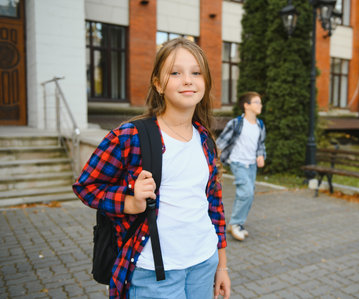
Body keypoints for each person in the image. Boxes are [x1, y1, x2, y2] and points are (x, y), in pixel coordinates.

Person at [73, 38, 230, 299]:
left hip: (204, 262)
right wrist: (129, 202)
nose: (188, 80)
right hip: (154, 273)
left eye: (196, 73)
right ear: (158, 83)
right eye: (176, 73)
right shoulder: (129, 136)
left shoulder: (205, 139)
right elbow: (86, 186)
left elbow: (214, 204)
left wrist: (222, 265)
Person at [216, 92, 266, 241]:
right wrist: (213, 159)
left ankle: (239, 224)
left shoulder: (260, 124)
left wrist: (260, 155)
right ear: (246, 105)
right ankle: (235, 224)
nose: (260, 105)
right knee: (246, 193)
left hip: (251, 165)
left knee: (247, 195)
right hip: (238, 163)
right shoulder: (236, 123)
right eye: (256, 102)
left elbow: (260, 144)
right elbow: (221, 142)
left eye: (260, 102)